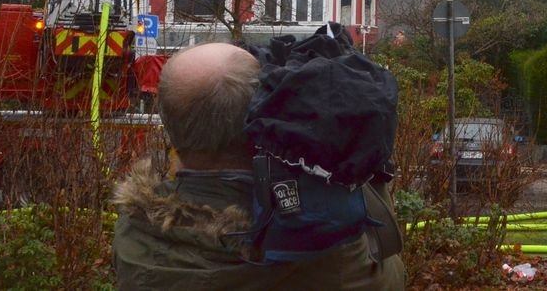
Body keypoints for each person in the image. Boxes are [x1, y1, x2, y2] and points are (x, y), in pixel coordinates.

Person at [112, 43, 407, 290]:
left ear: (168, 125)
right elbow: (391, 274)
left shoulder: (135, 234)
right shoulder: (331, 249)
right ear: (261, 120)